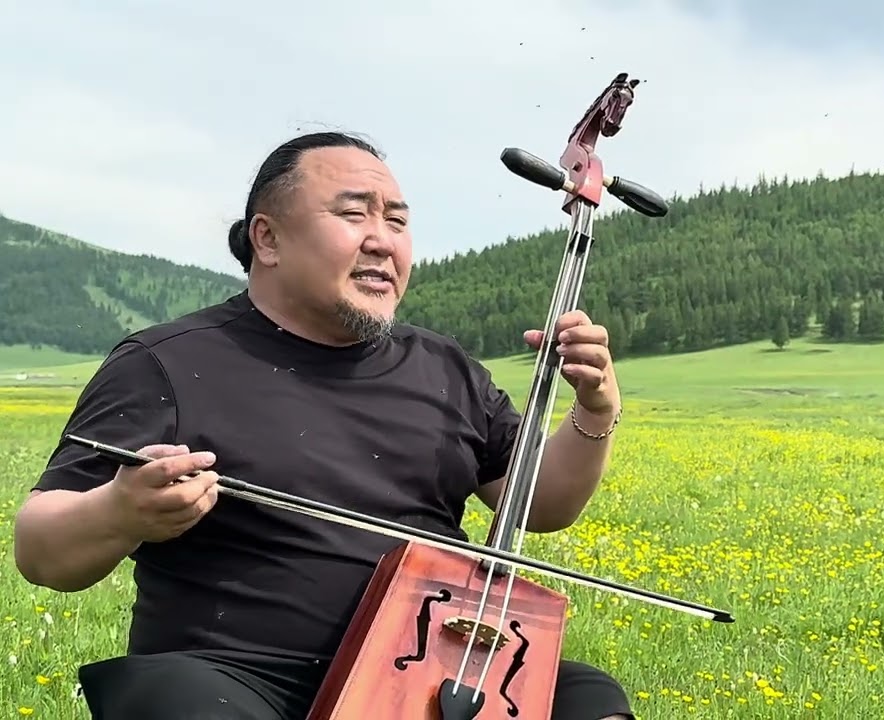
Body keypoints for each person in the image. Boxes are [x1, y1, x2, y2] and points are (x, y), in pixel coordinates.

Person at [11, 131, 633, 720]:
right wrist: (119, 512)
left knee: (584, 697)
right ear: (268, 238)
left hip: (428, 672)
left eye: (397, 220)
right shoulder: (166, 363)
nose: (384, 241)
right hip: (241, 679)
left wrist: (595, 409)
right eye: (354, 214)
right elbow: (41, 551)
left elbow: (538, 506)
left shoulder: (447, 369)